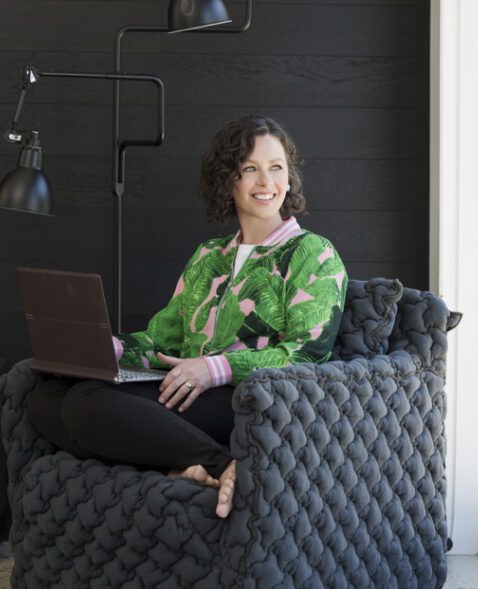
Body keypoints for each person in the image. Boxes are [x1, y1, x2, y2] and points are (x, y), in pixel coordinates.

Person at [26, 115, 348, 518]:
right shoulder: (209, 256)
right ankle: (180, 464)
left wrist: (213, 368)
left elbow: (306, 356)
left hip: (246, 398)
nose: (267, 182)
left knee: (84, 405)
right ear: (227, 179)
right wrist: (108, 351)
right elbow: (164, 338)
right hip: (183, 390)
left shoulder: (312, 252)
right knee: (46, 396)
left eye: (276, 168)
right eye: (250, 169)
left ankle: (222, 464)